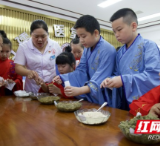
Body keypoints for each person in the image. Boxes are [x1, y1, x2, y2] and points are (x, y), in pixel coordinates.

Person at [101, 8, 160, 110]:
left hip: (143, 102)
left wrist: (124, 80)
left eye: (119, 30)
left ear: (133, 26)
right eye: (114, 32)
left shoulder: (149, 46)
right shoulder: (119, 52)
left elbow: (153, 76)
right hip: (123, 99)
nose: (116, 35)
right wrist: (110, 80)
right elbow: (117, 74)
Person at [54, 15, 116, 105]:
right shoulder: (87, 48)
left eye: (83, 36)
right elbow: (81, 69)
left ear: (95, 33)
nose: (81, 40)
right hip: (90, 94)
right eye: (79, 37)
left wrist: (80, 90)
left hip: (104, 96)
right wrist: (63, 77)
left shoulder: (108, 50)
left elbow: (101, 77)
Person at [14, 20, 62, 93]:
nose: (40, 40)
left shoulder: (55, 45)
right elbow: (18, 67)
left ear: (47, 34)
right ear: (31, 34)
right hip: (32, 88)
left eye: (43, 36)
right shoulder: (24, 47)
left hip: (52, 87)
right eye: (36, 36)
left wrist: (59, 76)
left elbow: (62, 63)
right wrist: (28, 72)